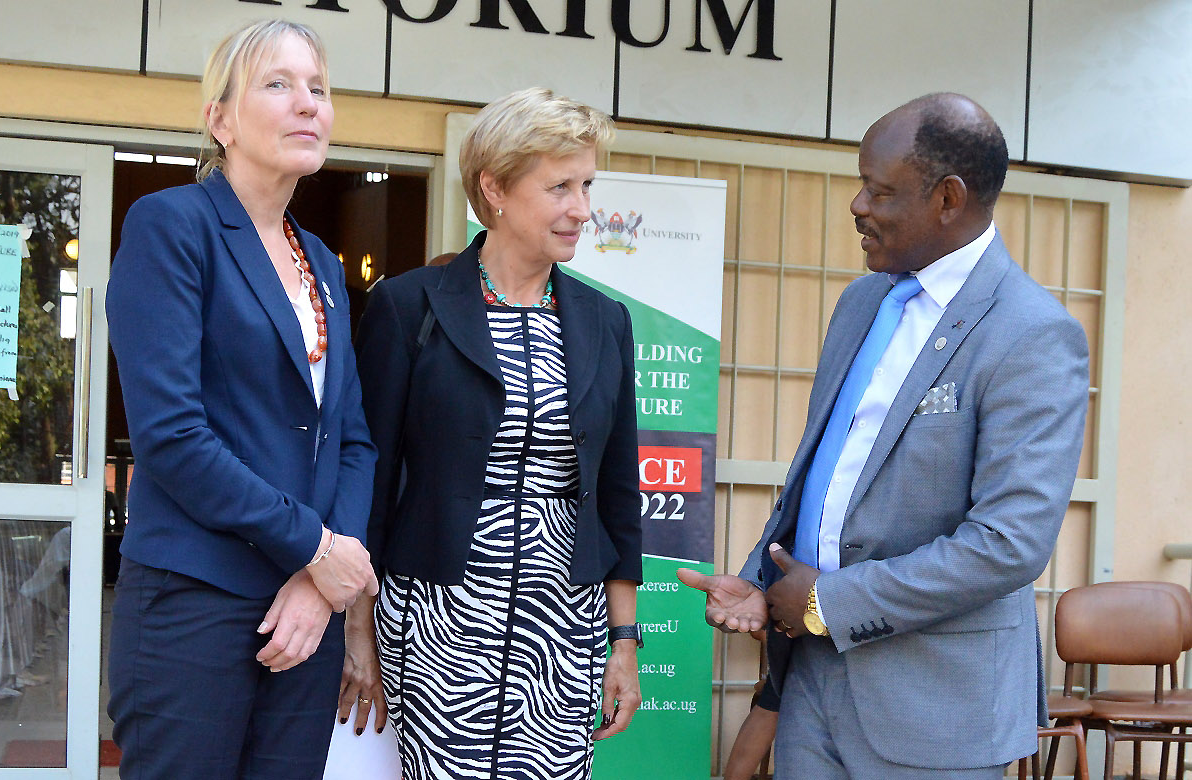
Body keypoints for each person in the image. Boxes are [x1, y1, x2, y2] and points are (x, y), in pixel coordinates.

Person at [679, 93, 1089, 778]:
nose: (857, 205)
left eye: (880, 189)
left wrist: (828, 602)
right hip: (814, 687)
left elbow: (1009, 544)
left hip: (936, 710)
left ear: (948, 199)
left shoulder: (1032, 334)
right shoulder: (863, 301)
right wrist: (763, 581)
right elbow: (826, 474)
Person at [105, 19, 378, 780]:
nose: (308, 104)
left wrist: (323, 579)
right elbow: (173, 437)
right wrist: (316, 550)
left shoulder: (321, 262)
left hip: (305, 610)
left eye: (319, 89)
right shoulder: (173, 227)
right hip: (193, 604)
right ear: (218, 119)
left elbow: (351, 438)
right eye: (278, 84)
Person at [347, 86, 644, 780]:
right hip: (437, 619)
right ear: (496, 189)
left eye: (587, 185)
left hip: (562, 623)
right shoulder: (407, 306)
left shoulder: (606, 322)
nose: (582, 208)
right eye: (560, 186)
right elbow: (371, 475)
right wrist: (357, 628)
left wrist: (622, 641)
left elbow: (618, 494)